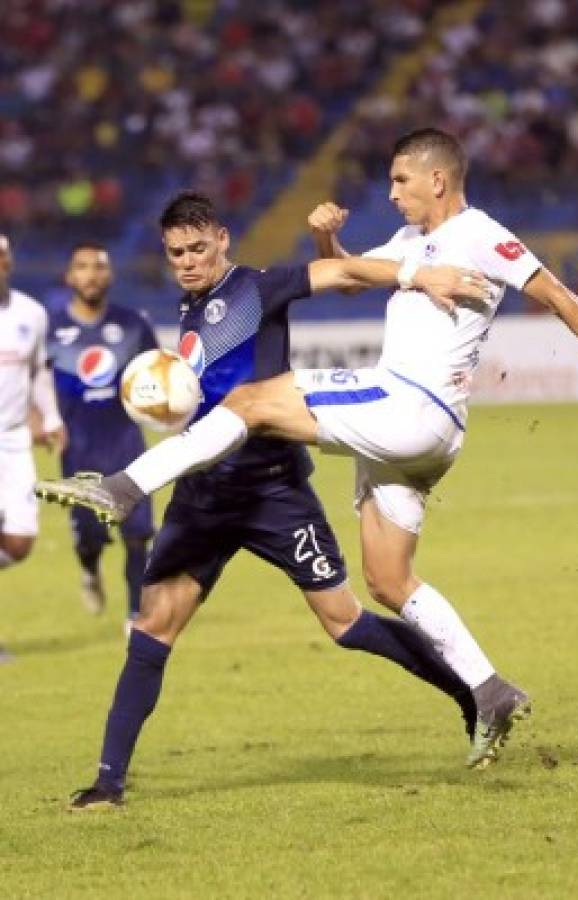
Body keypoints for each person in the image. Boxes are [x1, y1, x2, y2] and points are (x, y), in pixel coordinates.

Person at [40, 127, 578, 779]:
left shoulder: (480, 234)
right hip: (414, 439)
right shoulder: (408, 243)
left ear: (436, 180)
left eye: (399, 180)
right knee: (388, 580)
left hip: (409, 404)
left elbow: (556, 295)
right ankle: (487, 690)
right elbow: (348, 276)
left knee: (255, 400)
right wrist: (325, 238)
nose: (389, 191)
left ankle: (123, 487)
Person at [37, 190, 494, 808]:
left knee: (345, 624)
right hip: (204, 496)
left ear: (223, 238)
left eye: (198, 248)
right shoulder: (189, 305)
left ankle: (472, 695)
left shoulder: (258, 287)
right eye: (177, 253)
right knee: (152, 629)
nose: (189, 261)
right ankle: (108, 784)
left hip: (275, 491)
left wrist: (418, 273)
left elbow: (343, 270)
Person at [46, 243, 157, 627]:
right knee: (91, 537)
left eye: (99, 267)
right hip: (77, 449)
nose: (91, 274)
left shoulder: (133, 325)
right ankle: (90, 569)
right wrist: (42, 420)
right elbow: (33, 383)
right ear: (69, 276)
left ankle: (134, 615)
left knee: (138, 534)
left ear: (109, 275)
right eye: (82, 267)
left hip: (127, 442)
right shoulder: (51, 329)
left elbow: (157, 376)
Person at [0, 234, 66, 661]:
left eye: (2, 257)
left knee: (19, 541)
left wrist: (51, 417)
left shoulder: (31, 314)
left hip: (13, 442)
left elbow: (39, 373)